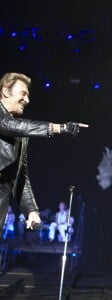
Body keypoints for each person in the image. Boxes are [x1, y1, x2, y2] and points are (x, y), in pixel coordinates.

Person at [0, 72, 88, 237]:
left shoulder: (21, 133)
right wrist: (58, 128)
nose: (27, 100)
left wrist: (31, 210)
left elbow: (21, 177)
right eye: (23, 94)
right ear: (5, 91)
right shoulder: (11, 124)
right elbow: (7, 124)